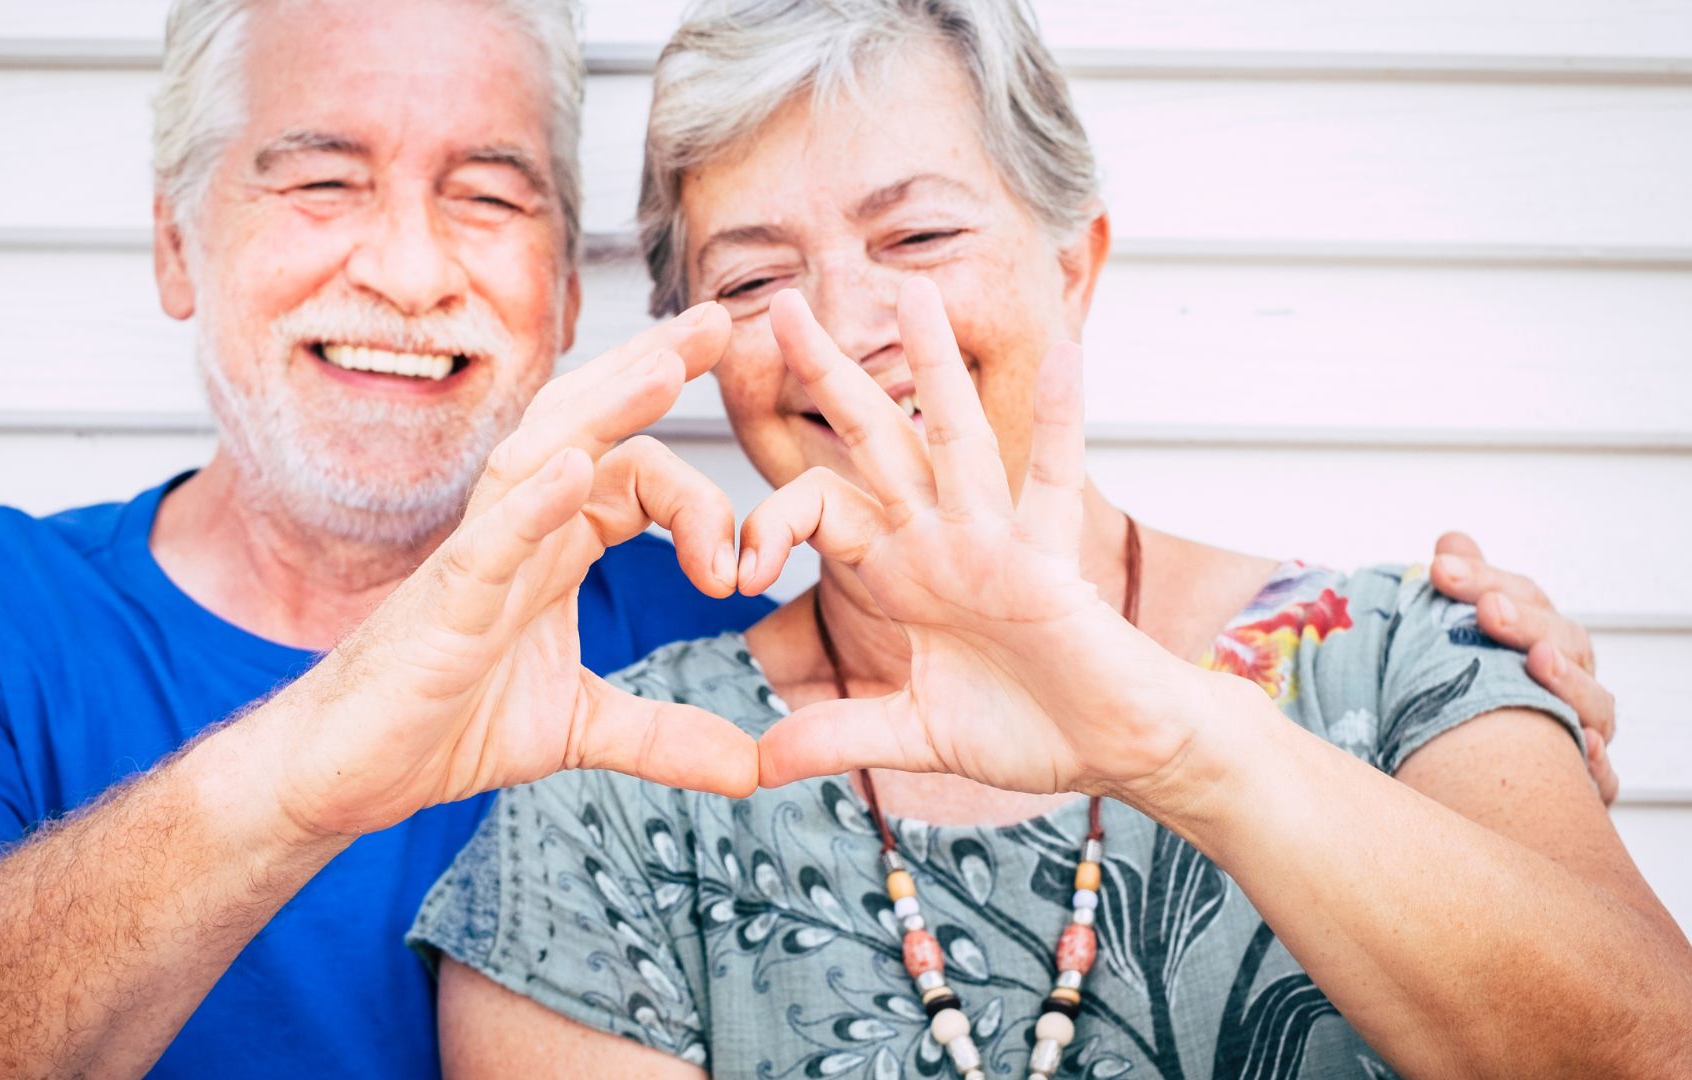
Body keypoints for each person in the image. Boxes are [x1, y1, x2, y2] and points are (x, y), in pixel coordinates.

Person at [0, 0, 1619, 1076]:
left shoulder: (721, 629)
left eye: (486, 193)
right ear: (178, 243)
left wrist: (1462, 697)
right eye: (317, 175)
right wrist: (315, 766)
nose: (407, 266)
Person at [413, 1, 1692, 1077]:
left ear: (1073, 264)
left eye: (916, 236)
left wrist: (1175, 741)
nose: (846, 325)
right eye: (753, 281)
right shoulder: (620, 790)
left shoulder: (1410, 654)